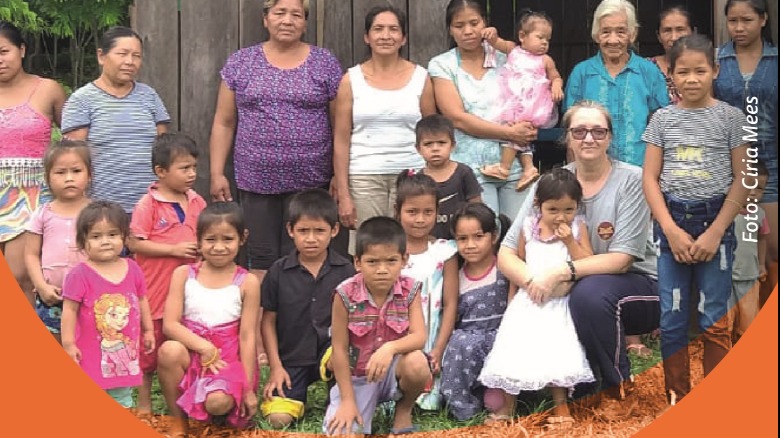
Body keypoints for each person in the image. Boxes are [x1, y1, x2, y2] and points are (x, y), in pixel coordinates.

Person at [498, 101, 659, 419]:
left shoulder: (631, 181)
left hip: (640, 287)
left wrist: (560, 272)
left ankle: (617, 390)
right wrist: (533, 282)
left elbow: (622, 260)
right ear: (567, 138)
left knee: (589, 293)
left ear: (610, 138)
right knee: (575, 296)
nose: (589, 138)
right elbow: (506, 251)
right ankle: (568, 387)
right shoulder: (551, 184)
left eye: (598, 131)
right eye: (579, 131)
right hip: (565, 288)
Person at [209, 0, 343, 362]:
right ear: (265, 18)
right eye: (279, 13)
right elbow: (224, 121)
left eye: (296, 14)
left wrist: (337, 177)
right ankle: (260, 342)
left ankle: (303, 338)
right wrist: (218, 171)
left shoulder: (324, 63)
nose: (287, 20)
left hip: (311, 180)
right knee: (262, 257)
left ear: (305, 22)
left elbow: (339, 126)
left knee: (306, 257)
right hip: (256, 177)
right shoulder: (242, 62)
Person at [643, 34, 750, 407]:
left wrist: (717, 230)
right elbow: (650, 180)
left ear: (715, 71)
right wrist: (670, 230)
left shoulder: (731, 118)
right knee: (672, 319)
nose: (691, 79)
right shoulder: (662, 119)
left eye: (700, 71)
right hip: (672, 224)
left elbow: (742, 178)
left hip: (714, 224)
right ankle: (678, 398)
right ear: (669, 74)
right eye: (682, 72)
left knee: (714, 318)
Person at [479, 169, 595, 428]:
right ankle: (507, 407)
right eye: (553, 209)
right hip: (526, 302)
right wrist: (512, 300)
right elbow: (518, 263)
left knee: (557, 348)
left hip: (558, 304)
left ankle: (561, 406)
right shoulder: (528, 227)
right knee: (515, 348)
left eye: (568, 209)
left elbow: (588, 262)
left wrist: (570, 242)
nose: (561, 216)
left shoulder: (577, 228)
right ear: (538, 205)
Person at [157, 202, 260, 436]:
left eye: (227, 239)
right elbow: (170, 324)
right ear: (199, 239)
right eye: (211, 239)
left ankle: (216, 411)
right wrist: (203, 347)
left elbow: (247, 336)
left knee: (217, 403)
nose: (219, 247)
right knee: (169, 351)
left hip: (226, 361)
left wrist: (247, 387)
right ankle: (178, 421)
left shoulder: (247, 282)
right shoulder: (183, 274)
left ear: (242, 238)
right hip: (192, 352)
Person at [428, 0, 536, 220]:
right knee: (483, 236)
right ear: (450, 29)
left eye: (474, 23)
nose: (468, 31)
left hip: (513, 164)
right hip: (471, 169)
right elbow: (458, 118)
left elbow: (529, 97)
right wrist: (510, 133)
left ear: (485, 23)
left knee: (519, 235)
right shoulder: (442, 65)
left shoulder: (508, 58)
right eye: (459, 26)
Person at [323, 217, 431, 436]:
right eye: (372, 262)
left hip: (393, 371)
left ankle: (404, 409)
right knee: (345, 433)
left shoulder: (410, 289)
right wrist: (347, 401)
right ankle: (352, 403)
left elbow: (419, 337)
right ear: (357, 262)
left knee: (418, 363)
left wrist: (389, 349)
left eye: (391, 261)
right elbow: (340, 350)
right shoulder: (344, 294)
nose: (382, 270)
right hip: (356, 378)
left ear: (404, 260)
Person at [333, 5, 436, 231]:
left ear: (403, 38)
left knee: (412, 243)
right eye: (378, 29)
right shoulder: (350, 80)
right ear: (366, 37)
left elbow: (432, 134)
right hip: (364, 176)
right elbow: (341, 140)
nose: (386, 36)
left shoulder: (421, 78)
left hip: (412, 175)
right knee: (370, 244)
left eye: (393, 29)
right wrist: (344, 193)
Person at [260, 188, 355, 428]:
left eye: (319, 231)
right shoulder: (278, 272)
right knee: (278, 419)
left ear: (334, 230)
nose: (311, 238)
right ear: (290, 230)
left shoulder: (346, 272)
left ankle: (338, 395)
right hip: (291, 358)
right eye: (303, 231)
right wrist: (276, 367)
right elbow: (268, 321)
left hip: (333, 355)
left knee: (338, 359)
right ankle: (295, 396)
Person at [127, 133, 207, 418]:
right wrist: (173, 249)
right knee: (149, 345)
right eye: (184, 168)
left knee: (185, 340)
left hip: (190, 289)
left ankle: (187, 395)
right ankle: (145, 398)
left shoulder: (197, 202)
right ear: (161, 171)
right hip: (155, 289)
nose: (192, 174)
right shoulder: (148, 204)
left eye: (194, 167)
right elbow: (134, 242)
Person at [61, 26, 170, 213]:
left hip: (150, 207)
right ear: (101, 56)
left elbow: (164, 150)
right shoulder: (82, 100)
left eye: (136, 56)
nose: (130, 61)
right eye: (123, 53)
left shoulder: (149, 96)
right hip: (102, 210)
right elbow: (74, 159)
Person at [713, 0, 778, 308]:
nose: (739, 28)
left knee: (771, 248)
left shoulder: (776, 61)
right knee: (736, 253)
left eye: (747, 20)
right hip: (729, 170)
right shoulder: (716, 61)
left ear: (763, 20)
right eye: (733, 21)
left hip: (772, 168)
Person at [60, 201, 155, 408]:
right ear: (82, 240)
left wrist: (148, 330)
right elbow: (69, 310)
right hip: (89, 353)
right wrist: (68, 344)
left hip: (124, 350)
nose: (105, 241)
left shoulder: (132, 268)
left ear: (124, 237)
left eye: (112, 235)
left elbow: (141, 299)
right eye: (96, 236)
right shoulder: (79, 275)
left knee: (122, 398)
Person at [0, 21, 67, 306]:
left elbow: (73, 144)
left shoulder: (48, 89)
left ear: (22, 50)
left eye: (4, 51)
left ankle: (21, 347)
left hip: (31, 195)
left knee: (20, 275)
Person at [563, 0, 669, 166]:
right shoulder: (581, 73)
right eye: (605, 32)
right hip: (591, 172)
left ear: (632, 34)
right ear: (596, 34)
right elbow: (571, 130)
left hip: (639, 173)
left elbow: (661, 127)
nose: (613, 40)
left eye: (621, 32)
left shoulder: (649, 71)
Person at [479, 9, 564, 192]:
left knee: (516, 132)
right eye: (540, 37)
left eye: (547, 40)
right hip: (512, 100)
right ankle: (529, 168)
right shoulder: (513, 50)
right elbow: (496, 42)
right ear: (522, 36)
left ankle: (505, 167)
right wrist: (491, 33)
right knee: (519, 134)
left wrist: (556, 85)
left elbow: (555, 76)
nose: (544, 43)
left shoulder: (546, 60)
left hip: (532, 104)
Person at [440, 203, 510, 421]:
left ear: (494, 236)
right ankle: (465, 410)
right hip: (467, 350)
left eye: (478, 236)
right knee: (461, 344)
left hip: (501, 342)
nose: (470, 245)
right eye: (462, 239)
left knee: (495, 402)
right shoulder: (455, 276)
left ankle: (499, 401)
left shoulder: (505, 268)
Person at [395, 171, 458, 410]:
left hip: (432, 335)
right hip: (396, 334)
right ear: (397, 210)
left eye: (428, 212)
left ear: (437, 211)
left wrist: (439, 348)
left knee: (430, 398)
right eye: (412, 212)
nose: (420, 219)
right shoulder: (390, 250)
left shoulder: (444, 251)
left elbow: (451, 303)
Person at [24, 141, 91, 344]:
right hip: (53, 296)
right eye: (60, 172)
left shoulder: (97, 214)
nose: (69, 178)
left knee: (89, 345)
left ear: (89, 176)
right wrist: (41, 286)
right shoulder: (43, 214)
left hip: (90, 295)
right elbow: (31, 254)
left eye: (76, 171)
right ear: (47, 178)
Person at [415, 115, 482, 241]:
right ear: (418, 149)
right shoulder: (419, 179)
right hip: (431, 241)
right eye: (428, 144)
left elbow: (477, 207)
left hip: (462, 240)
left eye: (441, 143)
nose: (435, 149)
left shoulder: (464, 173)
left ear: (452, 145)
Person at [728, 161, 769, 343]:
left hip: (750, 276)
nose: (753, 192)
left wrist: (761, 264)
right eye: (748, 186)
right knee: (725, 319)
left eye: (759, 188)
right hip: (725, 276)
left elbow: (762, 239)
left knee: (749, 318)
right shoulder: (726, 213)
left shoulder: (760, 214)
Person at [648, 6, 694, 104]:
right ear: (658, 36)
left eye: (680, 29)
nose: (674, 37)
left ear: (692, 32)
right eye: (667, 30)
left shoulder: (702, 66)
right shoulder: (647, 67)